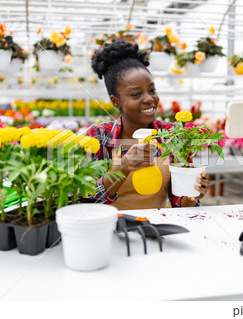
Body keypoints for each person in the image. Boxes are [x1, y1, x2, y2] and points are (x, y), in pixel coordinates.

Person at [86, 39, 209, 210]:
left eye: (152, 90)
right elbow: (87, 203)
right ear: (116, 102)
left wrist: (192, 194)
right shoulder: (98, 136)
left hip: (157, 231)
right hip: (111, 230)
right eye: (136, 94)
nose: (149, 99)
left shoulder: (172, 134)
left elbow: (180, 206)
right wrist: (122, 168)